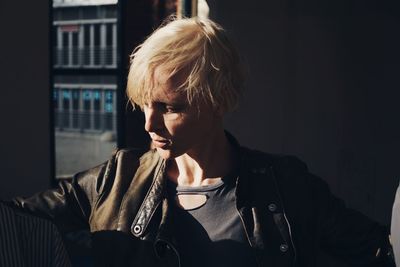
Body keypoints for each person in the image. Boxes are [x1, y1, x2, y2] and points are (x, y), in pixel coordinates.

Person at [10, 17, 394, 266]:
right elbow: (15, 220)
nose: (148, 123)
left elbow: (381, 250)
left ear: (218, 101)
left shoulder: (287, 185)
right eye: (145, 104)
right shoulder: (116, 179)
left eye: (169, 108)